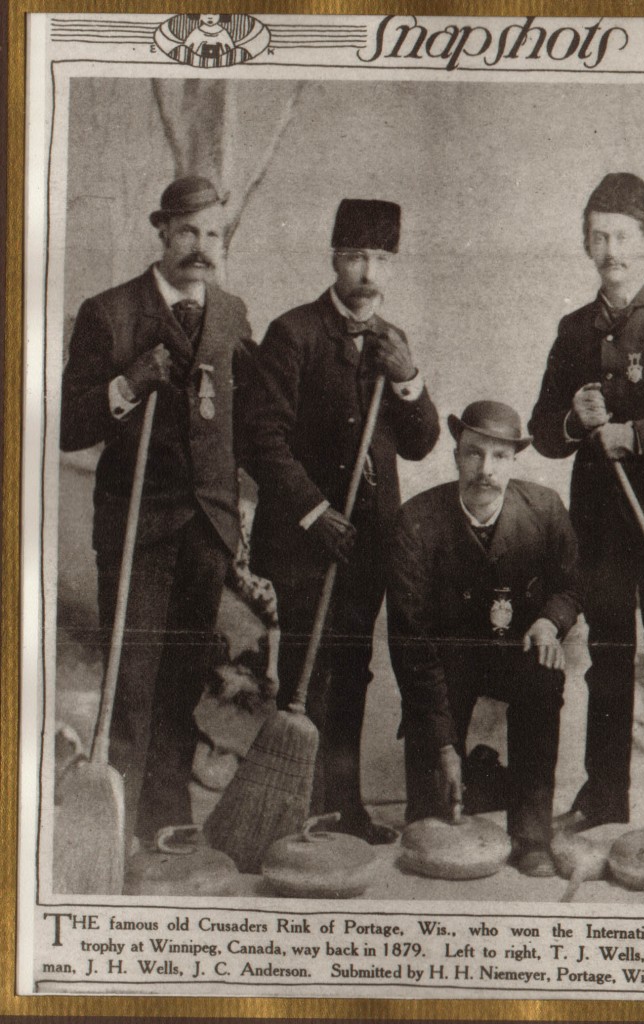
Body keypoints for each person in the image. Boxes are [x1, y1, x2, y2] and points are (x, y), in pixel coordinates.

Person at [60, 176, 255, 851]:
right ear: (162, 233)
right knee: (131, 680)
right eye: (188, 232)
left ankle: (165, 817)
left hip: (207, 526)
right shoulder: (109, 313)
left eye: (212, 235)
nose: (201, 247)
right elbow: (64, 426)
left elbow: (242, 426)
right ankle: (112, 827)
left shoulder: (231, 314)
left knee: (179, 682)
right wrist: (127, 383)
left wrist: (243, 522)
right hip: (138, 525)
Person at [247, 198, 440, 845]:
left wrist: (407, 378)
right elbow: (263, 440)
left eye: (380, 257)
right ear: (334, 258)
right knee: (307, 668)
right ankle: (293, 805)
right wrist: (314, 511)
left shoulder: (393, 341)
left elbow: (420, 443)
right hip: (306, 540)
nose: (367, 270)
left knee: (352, 668)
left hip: (368, 542)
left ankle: (344, 804)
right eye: (356, 255)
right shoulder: (292, 333)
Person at [529, 172, 644, 833]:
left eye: (623, 237)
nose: (612, 251)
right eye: (599, 236)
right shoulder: (572, 329)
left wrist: (631, 434)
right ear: (585, 242)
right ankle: (603, 796)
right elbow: (544, 433)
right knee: (605, 656)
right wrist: (574, 421)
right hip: (599, 526)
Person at [387, 401, 582, 877]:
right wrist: (442, 745)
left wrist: (549, 622)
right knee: (432, 819)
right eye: (474, 454)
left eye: (499, 457)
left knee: (544, 674)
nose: (486, 469)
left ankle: (532, 834)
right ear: (456, 455)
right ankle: (450, 790)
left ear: (514, 461)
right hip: (447, 661)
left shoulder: (545, 508)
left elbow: (573, 586)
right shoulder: (416, 520)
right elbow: (412, 641)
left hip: (518, 650)